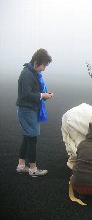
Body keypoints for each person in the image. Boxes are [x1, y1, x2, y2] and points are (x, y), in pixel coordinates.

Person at [16, 48, 53, 177]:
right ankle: (33, 169)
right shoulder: (27, 74)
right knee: (32, 139)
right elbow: (26, 94)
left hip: (29, 110)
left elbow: (30, 92)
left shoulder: (32, 73)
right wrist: (42, 95)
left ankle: (21, 166)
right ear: (36, 62)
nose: (44, 68)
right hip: (27, 110)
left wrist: (43, 95)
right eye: (43, 65)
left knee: (27, 137)